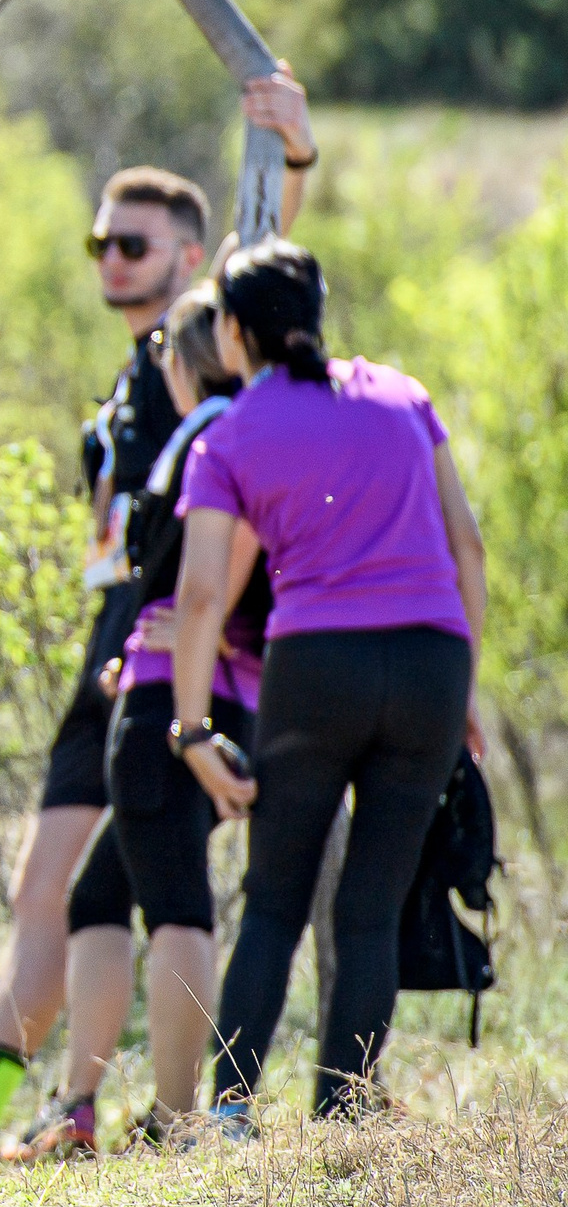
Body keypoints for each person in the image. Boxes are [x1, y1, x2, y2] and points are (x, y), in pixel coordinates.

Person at [0, 77, 316, 1168]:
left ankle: (153, 1117)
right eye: (97, 244)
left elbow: (266, 271)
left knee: (144, 885)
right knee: (53, 888)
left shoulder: (207, 355)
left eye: (131, 244)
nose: (109, 262)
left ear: (190, 258)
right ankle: (5, 1113)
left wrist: (295, 160)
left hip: (177, 651)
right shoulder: (133, 380)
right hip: (109, 648)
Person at [172, 241, 488, 1128]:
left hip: (317, 670)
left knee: (274, 895)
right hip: (430, 662)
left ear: (233, 332)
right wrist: (461, 680)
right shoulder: (401, 397)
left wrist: (192, 728)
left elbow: (201, 594)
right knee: (372, 906)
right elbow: (468, 548)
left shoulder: (230, 434)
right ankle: (341, 1117)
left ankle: (231, 1115)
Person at [45, 286, 266, 1152]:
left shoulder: (207, 441)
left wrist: (174, 642)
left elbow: (212, 581)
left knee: (176, 900)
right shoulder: (249, 434)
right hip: (220, 687)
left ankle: (178, 1123)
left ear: (184, 359)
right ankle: (78, 1110)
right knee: (98, 894)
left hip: (177, 701)